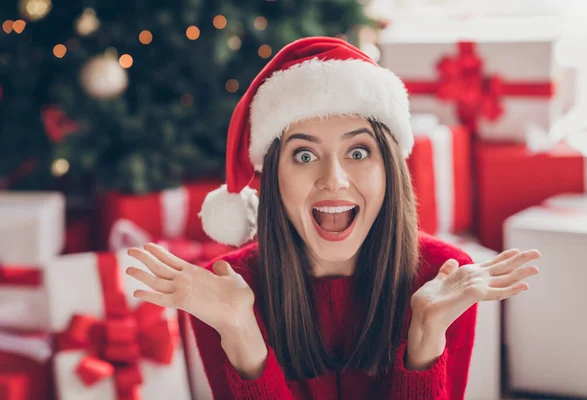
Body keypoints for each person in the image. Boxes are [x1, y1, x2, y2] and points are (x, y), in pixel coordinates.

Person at [126, 37, 541, 399]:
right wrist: (242, 335)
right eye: (304, 155)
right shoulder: (225, 291)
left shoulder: (443, 279)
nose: (334, 180)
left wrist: (425, 334)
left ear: (390, 170)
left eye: (358, 152)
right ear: (273, 178)